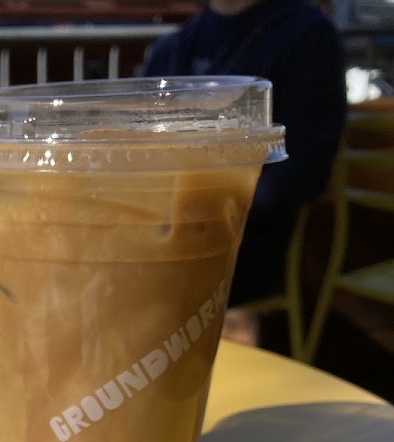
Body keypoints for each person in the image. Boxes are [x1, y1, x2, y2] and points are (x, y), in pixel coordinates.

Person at [144, 0, 347, 307]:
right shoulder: (174, 45)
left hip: (243, 239)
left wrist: (199, 208)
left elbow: (303, 172)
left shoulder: (306, 34)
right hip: (158, 231)